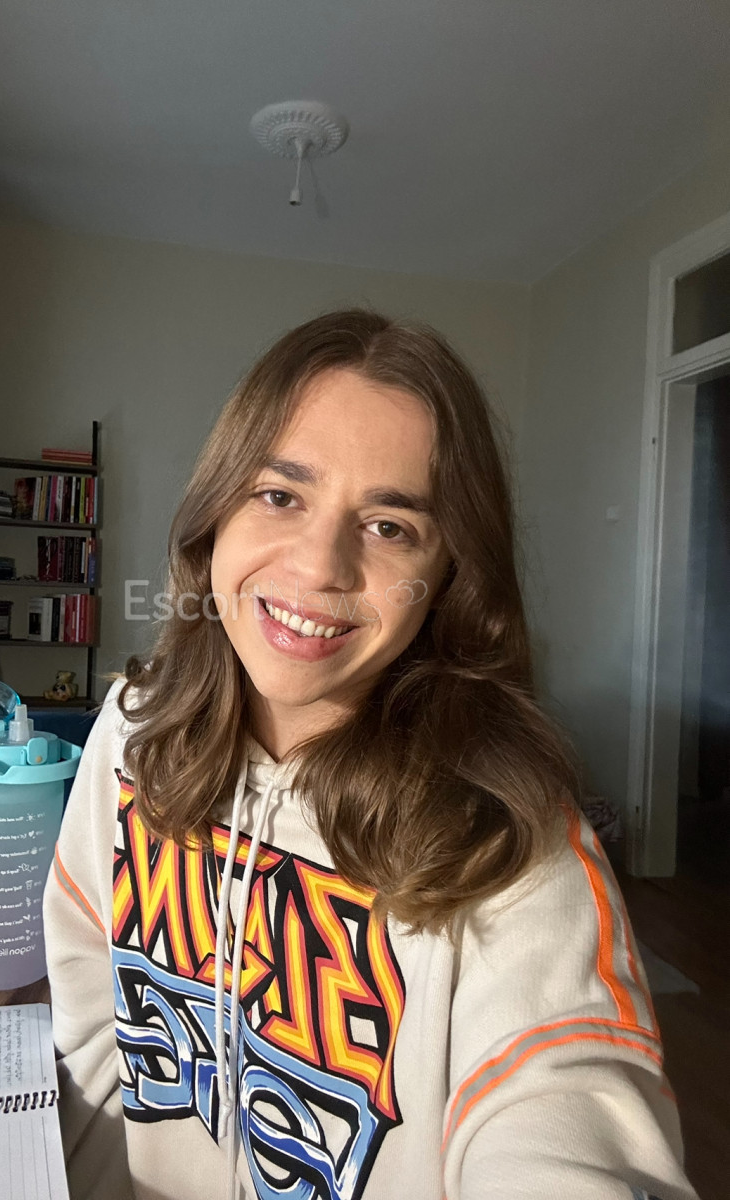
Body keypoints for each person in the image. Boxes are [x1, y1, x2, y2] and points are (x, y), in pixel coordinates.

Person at [44, 310, 696, 1200]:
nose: (321, 567)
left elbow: (562, 1106)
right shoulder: (131, 730)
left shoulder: (509, 837)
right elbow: (89, 1015)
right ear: (214, 516)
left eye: (389, 526)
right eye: (280, 496)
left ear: (446, 579)